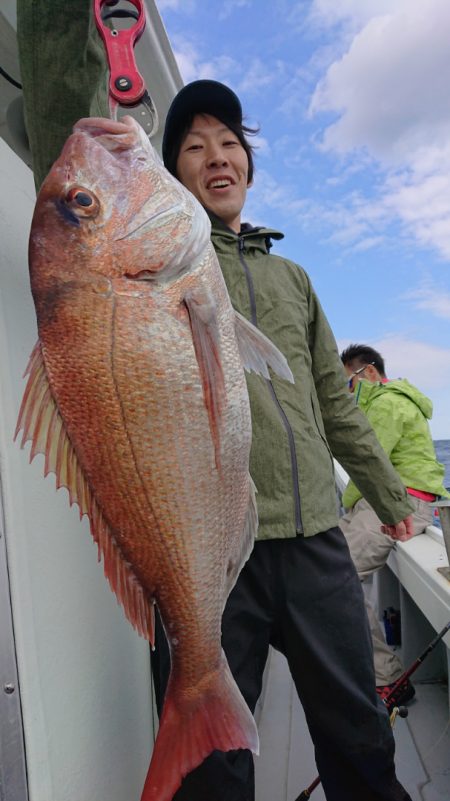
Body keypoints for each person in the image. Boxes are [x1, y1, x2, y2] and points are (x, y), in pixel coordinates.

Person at [16, 6, 414, 796]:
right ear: (174, 177)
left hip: (312, 538)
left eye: (229, 143)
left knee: (357, 728)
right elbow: (68, 115)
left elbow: (336, 405)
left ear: (249, 168)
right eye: (193, 147)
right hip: (212, 564)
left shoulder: (291, 279)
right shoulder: (172, 255)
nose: (216, 156)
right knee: (215, 772)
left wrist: (391, 496)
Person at [339, 344, 450, 705]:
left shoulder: (387, 403)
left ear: (368, 373)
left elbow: (368, 461)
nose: (346, 393)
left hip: (399, 503)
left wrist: (346, 504)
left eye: (348, 384)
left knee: (340, 577)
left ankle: (388, 678)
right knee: (326, 566)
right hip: (386, 501)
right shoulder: (382, 404)